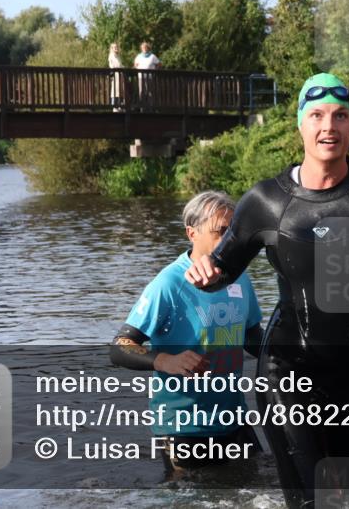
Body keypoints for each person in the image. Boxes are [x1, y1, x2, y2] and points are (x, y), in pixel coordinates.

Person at [184, 72, 349, 508]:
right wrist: (204, 272)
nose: (329, 125)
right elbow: (222, 270)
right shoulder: (265, 200)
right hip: (288, 370)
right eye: (317, 115)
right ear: (301, 126)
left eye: (340, 116)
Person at [110, 191, 264, 480]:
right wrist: (165, 360)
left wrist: (298, 352)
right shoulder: (169, 283)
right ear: (192, 233)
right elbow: (120, 347)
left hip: (234, 417)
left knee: (258, 489)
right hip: (183, 425)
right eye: (221, 231)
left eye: (234, 232)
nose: (230, 241)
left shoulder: (239, 277)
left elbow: (254, 338)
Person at [133, 41, 160, 109]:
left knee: (150, 91)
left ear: (148, 48)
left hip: (149, 77)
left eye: (146, 47)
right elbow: (135, 65)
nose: (144, 48)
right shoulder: (139, 56)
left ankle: (150, 107)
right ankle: (142, 107)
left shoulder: (152, 56)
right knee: (141, 92)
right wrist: (137, 68)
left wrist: (154, 70)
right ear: (141, 49)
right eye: (143, 47)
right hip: (141, 77)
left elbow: (159, 64)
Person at [108, 43, 124, 110]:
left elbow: (120, 65)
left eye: (117, 47)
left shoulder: (118, 56)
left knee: (120, 91)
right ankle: (114, 106)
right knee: (115, 91)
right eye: (114, 47)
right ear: (112, 48)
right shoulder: (112, 56)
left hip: (119, 75)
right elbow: (112, 65)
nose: (116, 48)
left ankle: (119, 105)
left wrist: (124, 68)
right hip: (115, 75)